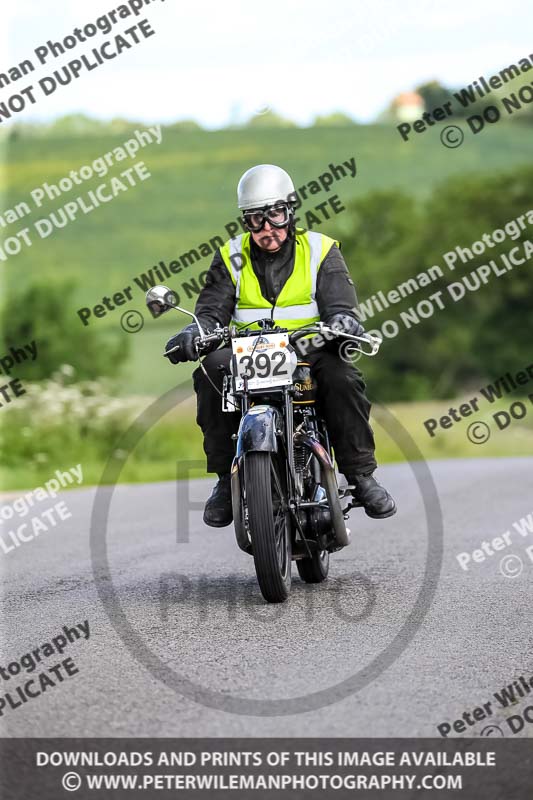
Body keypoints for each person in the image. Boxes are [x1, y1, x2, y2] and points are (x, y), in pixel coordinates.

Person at [165, 164, 396, 527]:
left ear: (290, 211)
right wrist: (195, 333)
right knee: (210, 371)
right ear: (245, 221)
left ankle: (360, 475)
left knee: (342, 378)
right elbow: (211, 309)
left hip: (311, 349)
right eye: (255, 219)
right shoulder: (230, 256)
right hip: (249, 351)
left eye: (274, 215)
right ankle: (226, 480)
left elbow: (341, 304)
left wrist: (342, 322)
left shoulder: (320, 250)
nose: (267, 228)